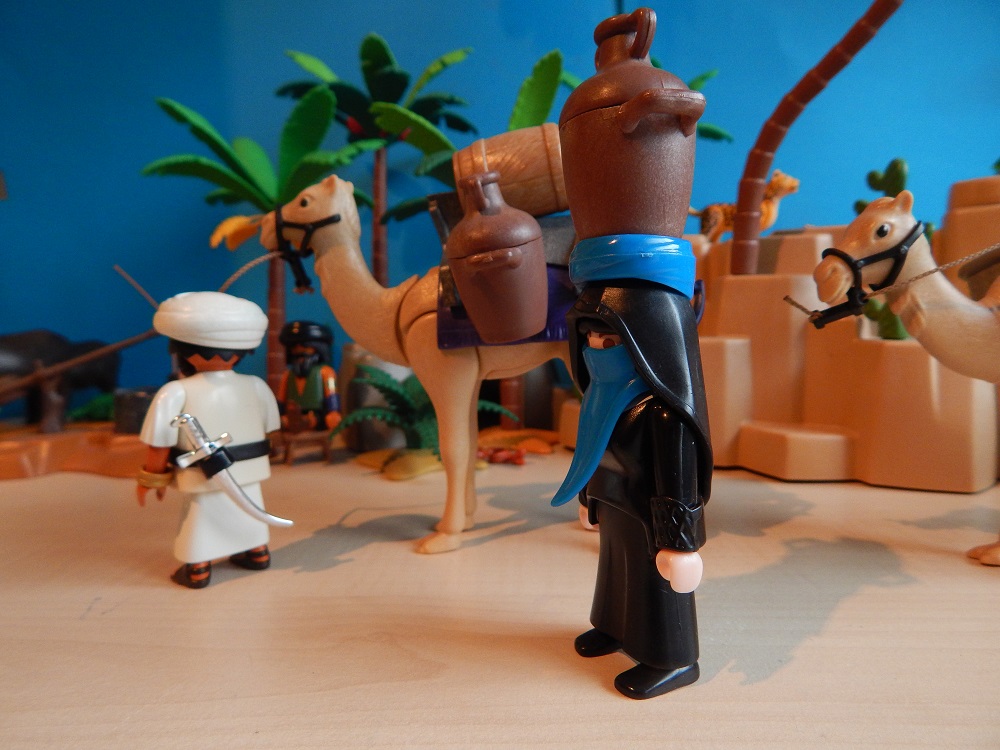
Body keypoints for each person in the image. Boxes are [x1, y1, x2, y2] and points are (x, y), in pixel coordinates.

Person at [551, 235, 713, 700]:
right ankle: (613, 628)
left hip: (652, 519)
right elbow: (593, 452)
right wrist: (590, 499)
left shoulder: (662, 414)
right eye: (590, 337)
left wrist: (681, 544)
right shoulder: (599, 398)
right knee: (613, 574)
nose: (597, 347)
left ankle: (672, 660)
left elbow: (677, 480)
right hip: (616, 505)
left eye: (611, 340)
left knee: (654, 586)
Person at [136, 292, 281, 589]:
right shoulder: (256, 386)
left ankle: (199, 568)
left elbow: (159, 443)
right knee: (248, 506)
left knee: (202, 515)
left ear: (182, 350)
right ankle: (257, 552)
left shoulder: (175, 392)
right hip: (247, 471)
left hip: (204, 471)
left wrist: (152, 478)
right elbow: (271, 429)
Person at [277, 320, 341, 432]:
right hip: (291, 416)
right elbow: (281, 400)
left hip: (317, 416)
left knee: (316, 420)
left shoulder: (326, 372)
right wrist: (278, 414)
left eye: (305, 347)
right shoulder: (287, 375)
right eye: (294, 347)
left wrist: (333, 411)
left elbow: (332, 394)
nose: (299, 350)